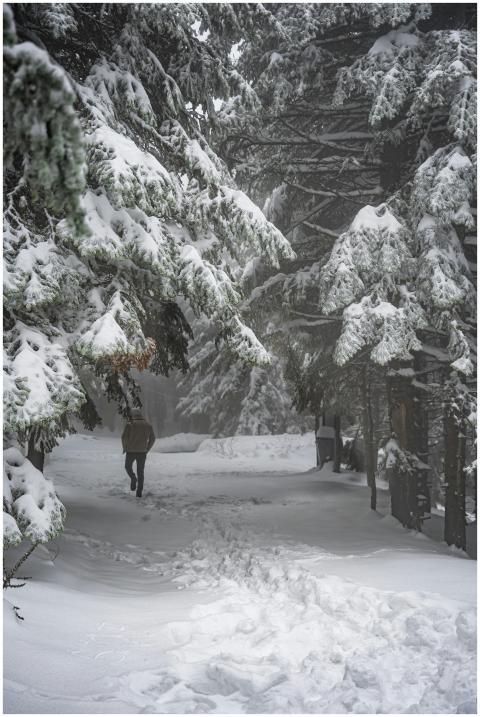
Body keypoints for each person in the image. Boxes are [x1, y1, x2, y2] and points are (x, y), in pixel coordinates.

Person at [121, 409, 155, 497]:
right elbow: (153, 438)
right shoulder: (148, 425)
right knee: (140, 472)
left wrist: (125, 448)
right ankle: (139, 491)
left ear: (133, 415)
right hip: (142, 452)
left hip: (130, 451)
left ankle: (133, 478)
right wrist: (147, 449)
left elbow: (123, 437)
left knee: (127, 467)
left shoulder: (130, 424)